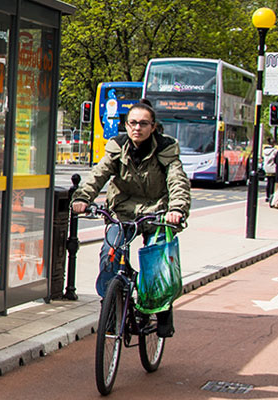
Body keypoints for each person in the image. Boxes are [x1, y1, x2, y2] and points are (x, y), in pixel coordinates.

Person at [71, 99, 190, 338]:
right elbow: (99, 174)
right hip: (122, 212)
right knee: (109, 254)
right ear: (126, 125)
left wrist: (177, 209)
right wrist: (82, 197)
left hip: (157, 212)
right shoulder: (117, 147)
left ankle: (162, 310)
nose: (138, 128)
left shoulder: (165, 148)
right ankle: (111, 306)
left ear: (153, 127)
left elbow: (177, 181)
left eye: (144, 124)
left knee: (157, 261)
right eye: (133, 123)